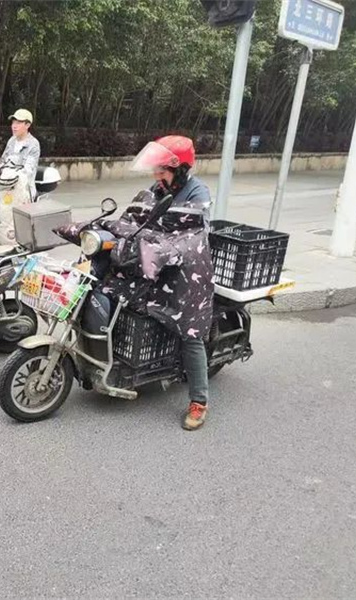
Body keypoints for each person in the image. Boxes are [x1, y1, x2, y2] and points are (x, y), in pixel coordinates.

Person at [130, 135, 213, 430]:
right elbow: (142, 218)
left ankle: (199, 401)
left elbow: (193, 233)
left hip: (190, 267)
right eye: (156, 169)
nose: (157, 175)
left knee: (190, 332)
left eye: (162, 170)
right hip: (162, 260)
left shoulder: (198, 192)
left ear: (180, 169)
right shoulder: (159, 189)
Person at [1, 108, 41, 200]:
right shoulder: (11, 141)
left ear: (27, 125)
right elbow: (3, 162)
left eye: (18, 123)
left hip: (25, 191)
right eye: (13, 123)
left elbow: (27, 171)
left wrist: (10, 176)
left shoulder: (33, 144)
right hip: (6, 188)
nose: (14, 126)